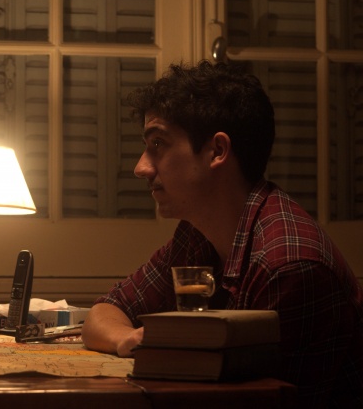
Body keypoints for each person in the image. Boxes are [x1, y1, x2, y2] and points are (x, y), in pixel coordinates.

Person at [81, 60, 363, 408]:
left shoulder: (290, 267)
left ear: (217, 151)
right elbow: (106, 310)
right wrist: (127, 339)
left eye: (158, 143)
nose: (141, 168)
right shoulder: (196, 235)